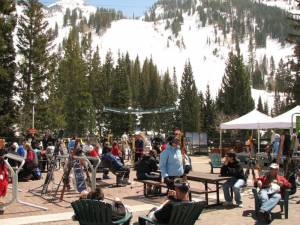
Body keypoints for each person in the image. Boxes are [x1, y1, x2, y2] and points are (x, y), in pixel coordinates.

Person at [0, 140, 9, 215]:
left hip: (2, 170)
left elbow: (4, 161)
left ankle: (1, 207)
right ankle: (1, 207)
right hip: (2, 170)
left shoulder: (4, 151)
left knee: (2, 186)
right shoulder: (5, 150)